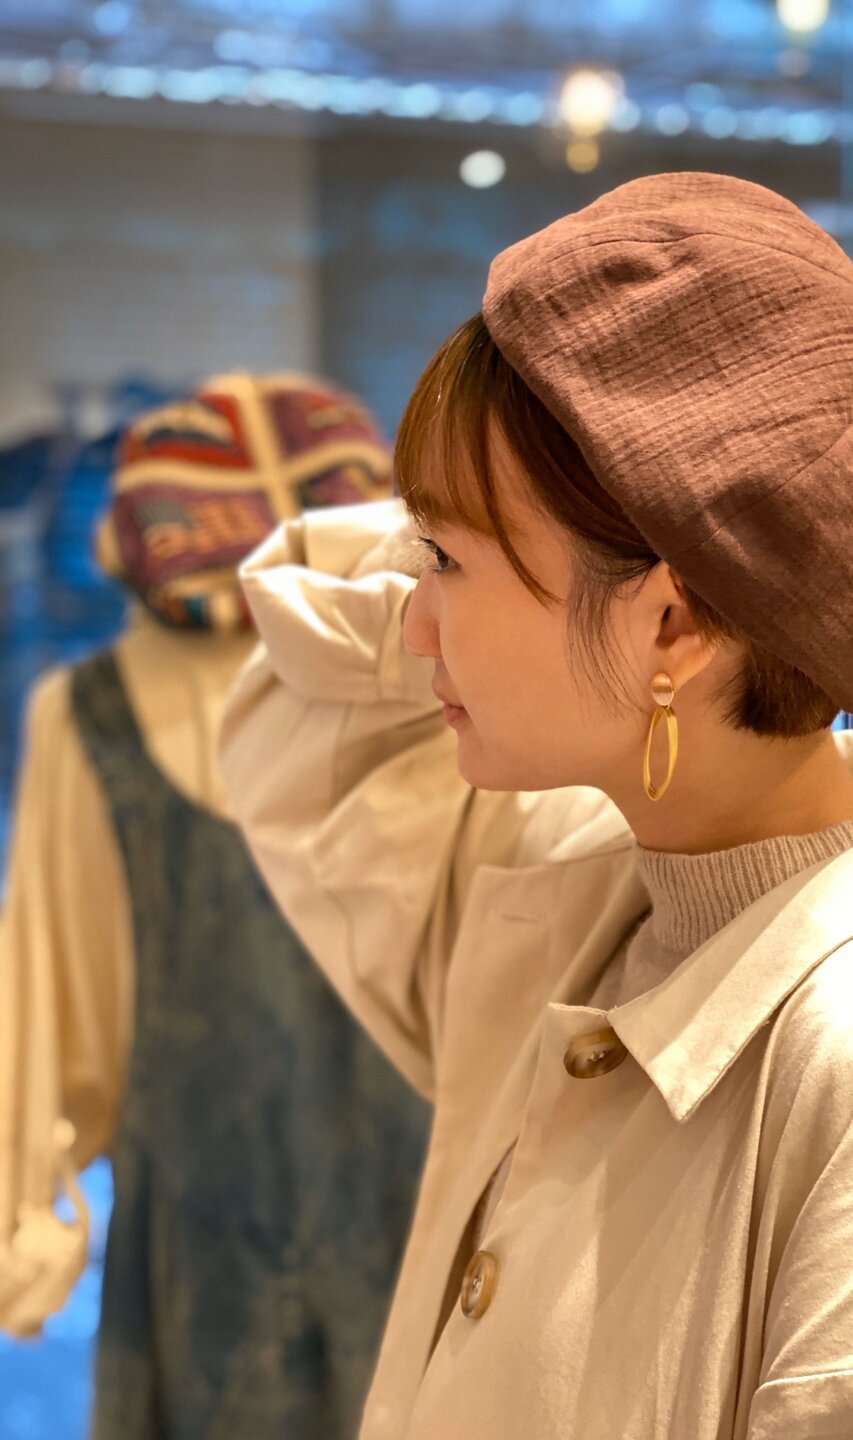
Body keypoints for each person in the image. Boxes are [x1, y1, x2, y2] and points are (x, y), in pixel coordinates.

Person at [220, 176, 853, 1439]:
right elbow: (304, 702)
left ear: (672, 620)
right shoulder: (588, 884)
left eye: (444, 561)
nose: (413, 625)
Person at [0, 372, 428, 1439]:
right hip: (361, 1240)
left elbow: (60, 1022)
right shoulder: (434, 694)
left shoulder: (90, 717)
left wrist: (29, 1209)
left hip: (235, 1258)